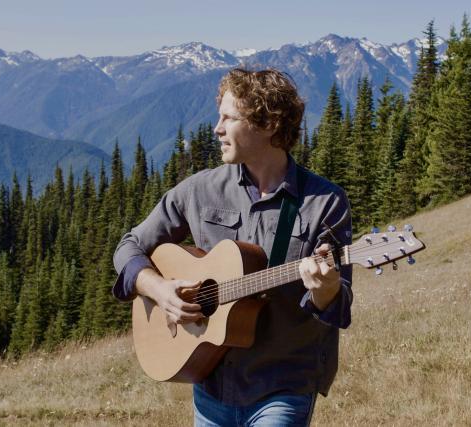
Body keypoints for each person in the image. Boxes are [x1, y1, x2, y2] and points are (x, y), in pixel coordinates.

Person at [112, 68, 352, 426]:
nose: (217, 128)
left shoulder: (324, 202)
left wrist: (327, 288)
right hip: (211, 384)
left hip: (282, 386)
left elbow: (339, 307)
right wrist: (160, 290)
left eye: (228, 118)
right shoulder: (198, 190)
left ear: (269, 124)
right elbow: (129, 248)